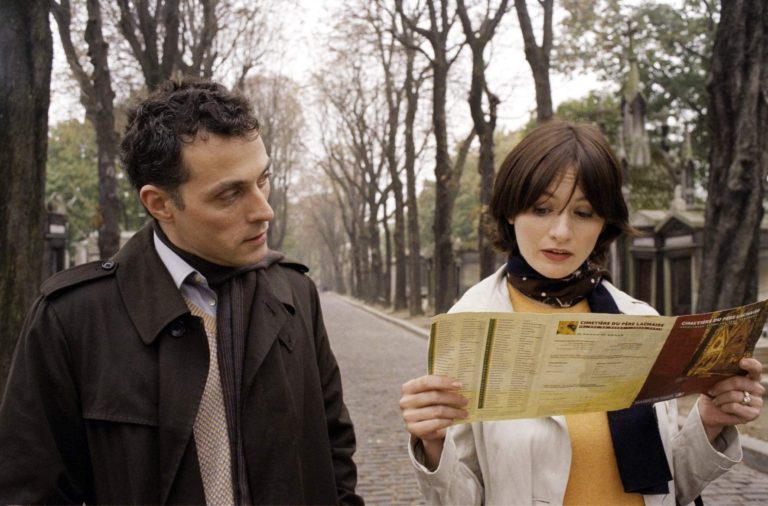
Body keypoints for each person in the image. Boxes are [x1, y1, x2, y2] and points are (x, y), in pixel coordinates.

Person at [0, 78, 363, 505]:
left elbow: (334, 448)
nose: (264, 210)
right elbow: (30, 489)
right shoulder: (72, 318)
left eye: (262, 179)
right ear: (160, 204)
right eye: (231, 194)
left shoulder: (294, 291)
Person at [399, 120, 764, 505]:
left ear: (604, 221)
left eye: (584, 212)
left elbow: (670, 489)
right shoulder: (471, 329)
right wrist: (433, 442)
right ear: (510, 211)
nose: (561, 231)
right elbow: (462, 500)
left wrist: (708, 421)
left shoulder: (639, 321)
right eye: (542, 208)